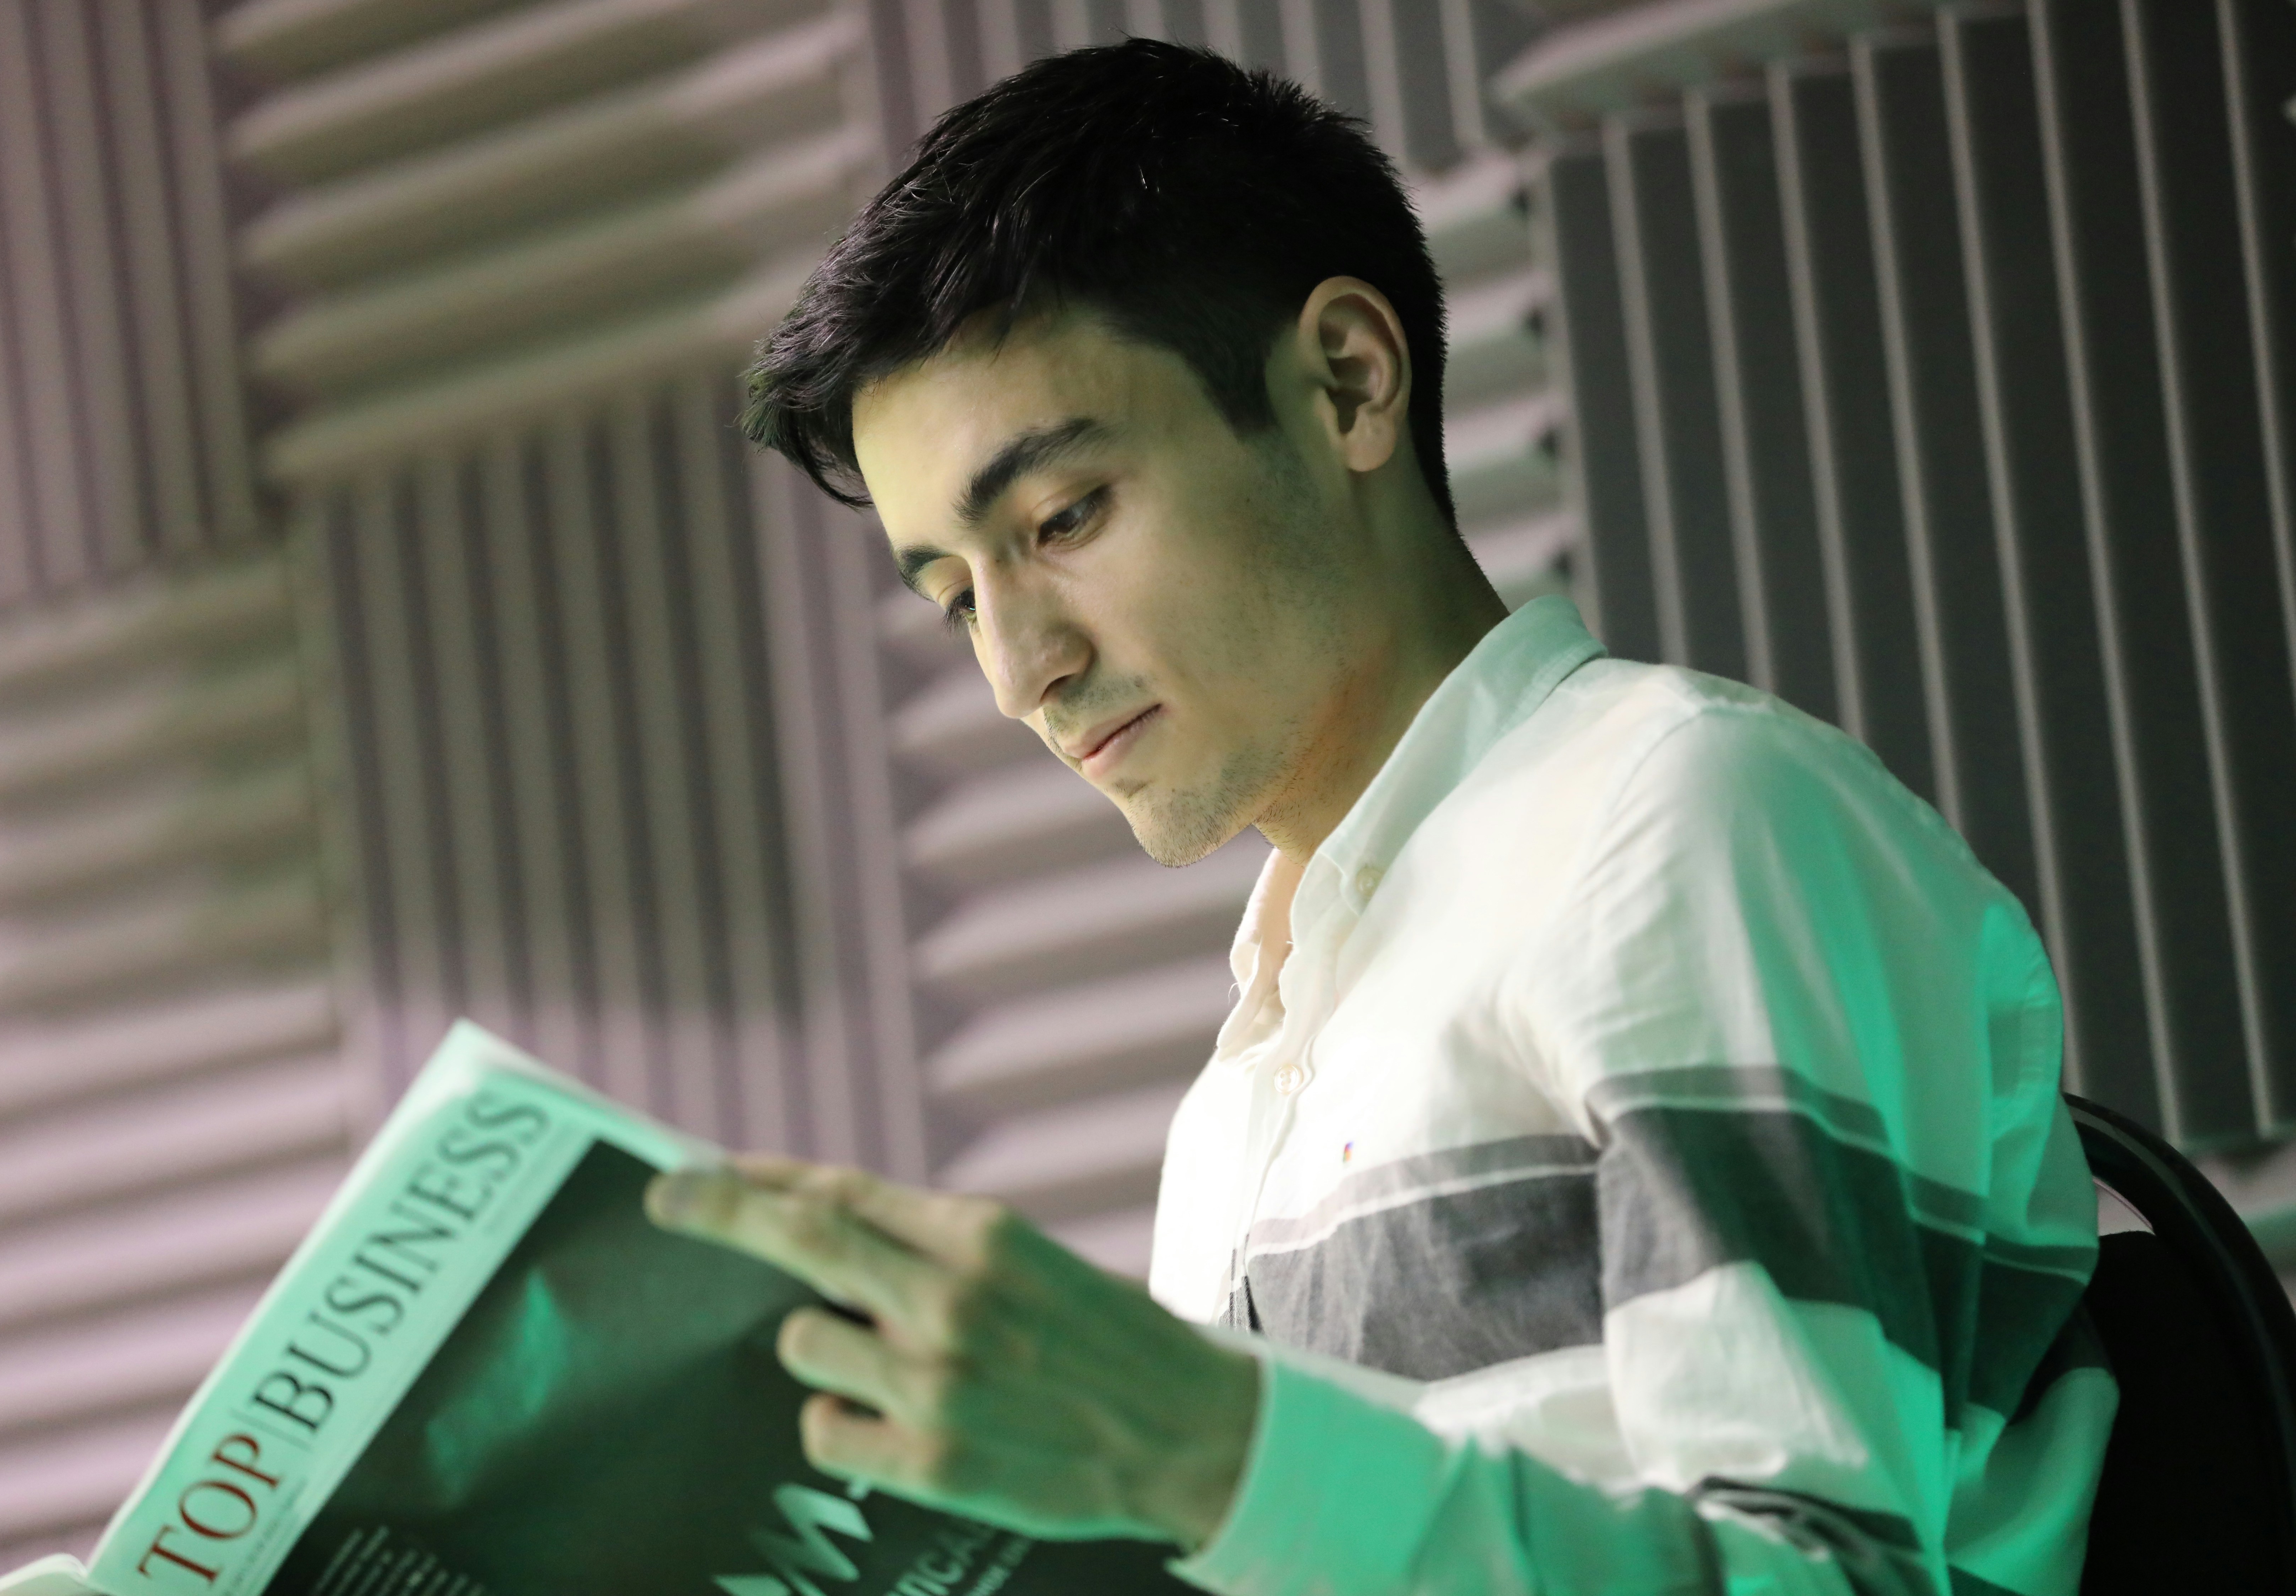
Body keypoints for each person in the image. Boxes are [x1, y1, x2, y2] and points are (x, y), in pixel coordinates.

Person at [647, 37, 2115, 1596]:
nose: (1023, 671)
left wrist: (1212, 1454)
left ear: (1347, 381)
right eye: (954, 594)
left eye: (1062, 519)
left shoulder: (1674, 823)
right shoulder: (1247, 1088)